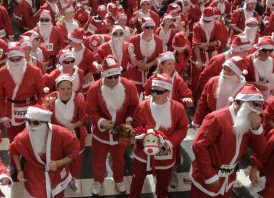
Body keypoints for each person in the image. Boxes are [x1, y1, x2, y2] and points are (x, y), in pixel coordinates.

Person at [190, 84, 265, 197]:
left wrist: (257, 130)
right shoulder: (217, 118)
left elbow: (262, 151)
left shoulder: (250, 122)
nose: (259, 110)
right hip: (207, 177)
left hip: (228, 179)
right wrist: (209, 175)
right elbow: (199, 146)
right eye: (255, 105)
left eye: (261, 106)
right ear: (241, 102)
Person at [86, 55, 139, 195]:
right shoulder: (94, 88)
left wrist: (128, 121)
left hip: (122, 132)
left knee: (119, 159)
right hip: (101, 133)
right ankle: (97, 181)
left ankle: (119, 179)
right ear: (103, 76)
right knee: (98, 159)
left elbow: (134, 106)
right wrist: (100, 122)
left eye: (117, 76)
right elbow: (90, 110)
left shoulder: (129, 85)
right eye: (110, 77)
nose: (114, 80)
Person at [130, 74, 189, 198]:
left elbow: (183, 128)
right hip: (143, 153)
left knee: (163, 183)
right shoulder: (142, 106)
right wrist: (143, 137)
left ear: (167, 92)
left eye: (158, 92)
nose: (154, 94)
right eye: (152, 91)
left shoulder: (177, 108)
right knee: (137, 179)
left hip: (165, 154)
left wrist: (168, 143)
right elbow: (136, 126)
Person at [9, 105, 80, 198]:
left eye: (35, 122)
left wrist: (59, 163)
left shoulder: (61, 133)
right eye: (28, 122)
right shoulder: (23, 137)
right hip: (35, 176)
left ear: (45, 123)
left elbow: (75, 149)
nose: (31, 126)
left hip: (57, 175)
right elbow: (13, 150)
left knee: (58, 195)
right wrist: (19, 170)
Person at [43, 74, 88, 190]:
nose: (66, 91)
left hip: (75, 135)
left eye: (68, 88)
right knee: (58, 159)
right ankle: (59, 179)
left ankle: (73, 179)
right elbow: (41, 115)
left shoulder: (78, 99)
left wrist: (75, 125)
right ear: (57, 88)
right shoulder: (50, 98)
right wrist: (44, 107)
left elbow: (84, 118)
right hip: (56, 136)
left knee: (75, 159)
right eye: (62, 88)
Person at [0, 46, 45, 143]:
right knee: (14, 140)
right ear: (8, 59)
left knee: (33, 138)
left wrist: (38, 110)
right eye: (12, 60)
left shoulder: (35, 71)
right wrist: (3, 116)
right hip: (11, 110)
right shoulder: (2, 72)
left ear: (23, 58)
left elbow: (41, 93)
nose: (16, 62)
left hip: (31, 107)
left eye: (18, 59)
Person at [193, 56, 249, 127]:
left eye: (229, 71)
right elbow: (202, 102)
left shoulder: (245, 88)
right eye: (224, 69)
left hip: (231, 125)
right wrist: (196, 120)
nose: (224, 72)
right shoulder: (213, 81)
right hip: (211, 121)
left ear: (237, 73)